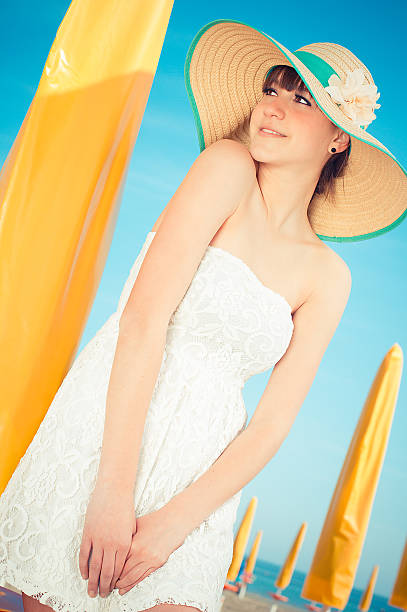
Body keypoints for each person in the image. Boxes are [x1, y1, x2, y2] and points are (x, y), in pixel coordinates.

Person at [1, 18, 406, 612]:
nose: (274, 109)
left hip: (202, 477)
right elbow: (142, 319)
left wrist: (173, 524)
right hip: (110, 436)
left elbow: (271, 425)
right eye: (272, 90)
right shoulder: (227, 167)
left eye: (302, 101)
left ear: (338, 138)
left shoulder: (328, 277)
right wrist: (112, 491)